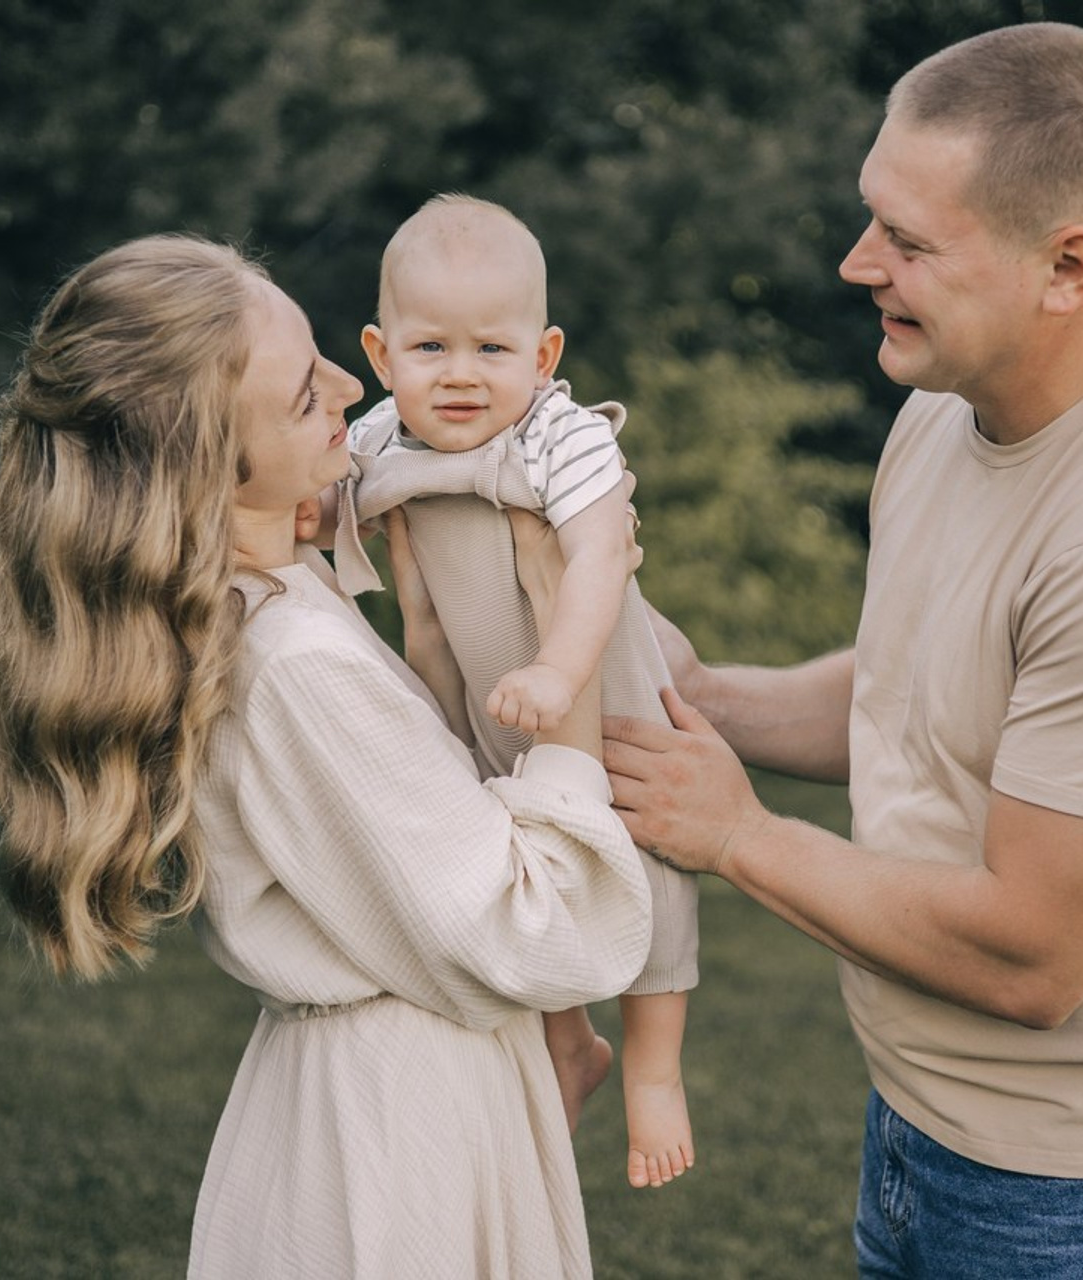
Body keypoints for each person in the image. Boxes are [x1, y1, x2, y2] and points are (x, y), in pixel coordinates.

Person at [0, 232, 656, 1279]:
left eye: (321, 354)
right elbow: (534, 932)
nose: (344, 382)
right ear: (207, 459)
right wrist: (566, 653)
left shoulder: (255, 605)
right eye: (298, 397)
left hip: (374, 1087)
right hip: (403, 1132)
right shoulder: (292, 662)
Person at [603, 21, 1083, 1279]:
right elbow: (911, 692)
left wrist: (736, 833)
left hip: (1080, 1197)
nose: (854, 261)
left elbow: (1031, 954)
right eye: (873, 217)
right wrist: (702, 697)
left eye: (909, 243)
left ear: (1066, 266)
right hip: (913, 1129)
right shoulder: (939, 409)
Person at [328, 194, 698, 1190]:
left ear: (541, 355)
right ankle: (569, 1036)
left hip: (596, 692)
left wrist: (557, 668)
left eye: (490, 348)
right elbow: (314, 511)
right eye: (429, 347)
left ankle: (652, 1069)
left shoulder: (559, 434)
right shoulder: (374, 441)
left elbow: (592, 557)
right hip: (479, 704)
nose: (458, 374)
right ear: (378, 351)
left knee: (643, 853)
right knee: (515, 861)